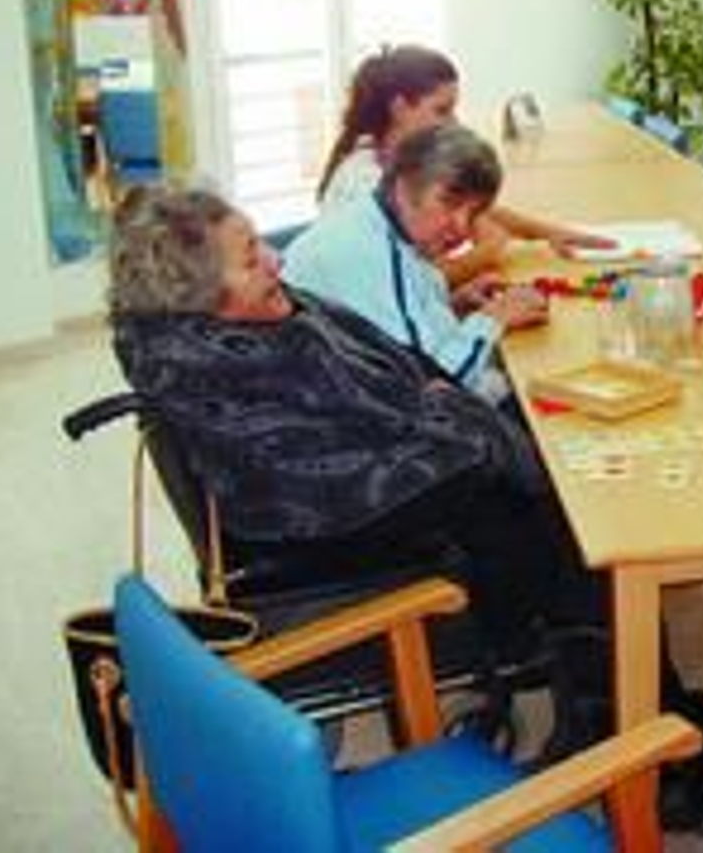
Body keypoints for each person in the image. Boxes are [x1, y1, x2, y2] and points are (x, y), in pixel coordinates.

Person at [107, 184, 600, 660]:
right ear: (198, 297)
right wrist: (458, 420)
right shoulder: (231, 371)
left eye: (260, 244)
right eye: (251, 260)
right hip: (321, 542)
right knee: (539, 485)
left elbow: (367, 379)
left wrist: (441, 385)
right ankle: (586, 664)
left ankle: (588, 634)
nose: (277, 261)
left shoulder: (235, 337)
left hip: (374, 470)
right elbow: (327, 489)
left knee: (533, 440)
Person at [287, 123, 546, 403]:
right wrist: (494, 319)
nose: (462, 226)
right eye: (449, 202)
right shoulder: (367, 253)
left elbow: (395, 323)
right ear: (403, 185)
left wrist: (454, 305)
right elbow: (433, 384)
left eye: (474, 213)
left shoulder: (382, 222)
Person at [316, 44, 612, 279]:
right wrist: (488, 252)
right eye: (442, 110)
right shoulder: (363, 183)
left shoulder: (391, 155)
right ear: (400, 107)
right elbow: (414, 285)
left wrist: (547, 233)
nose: (454, 122)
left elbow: (474, 207)